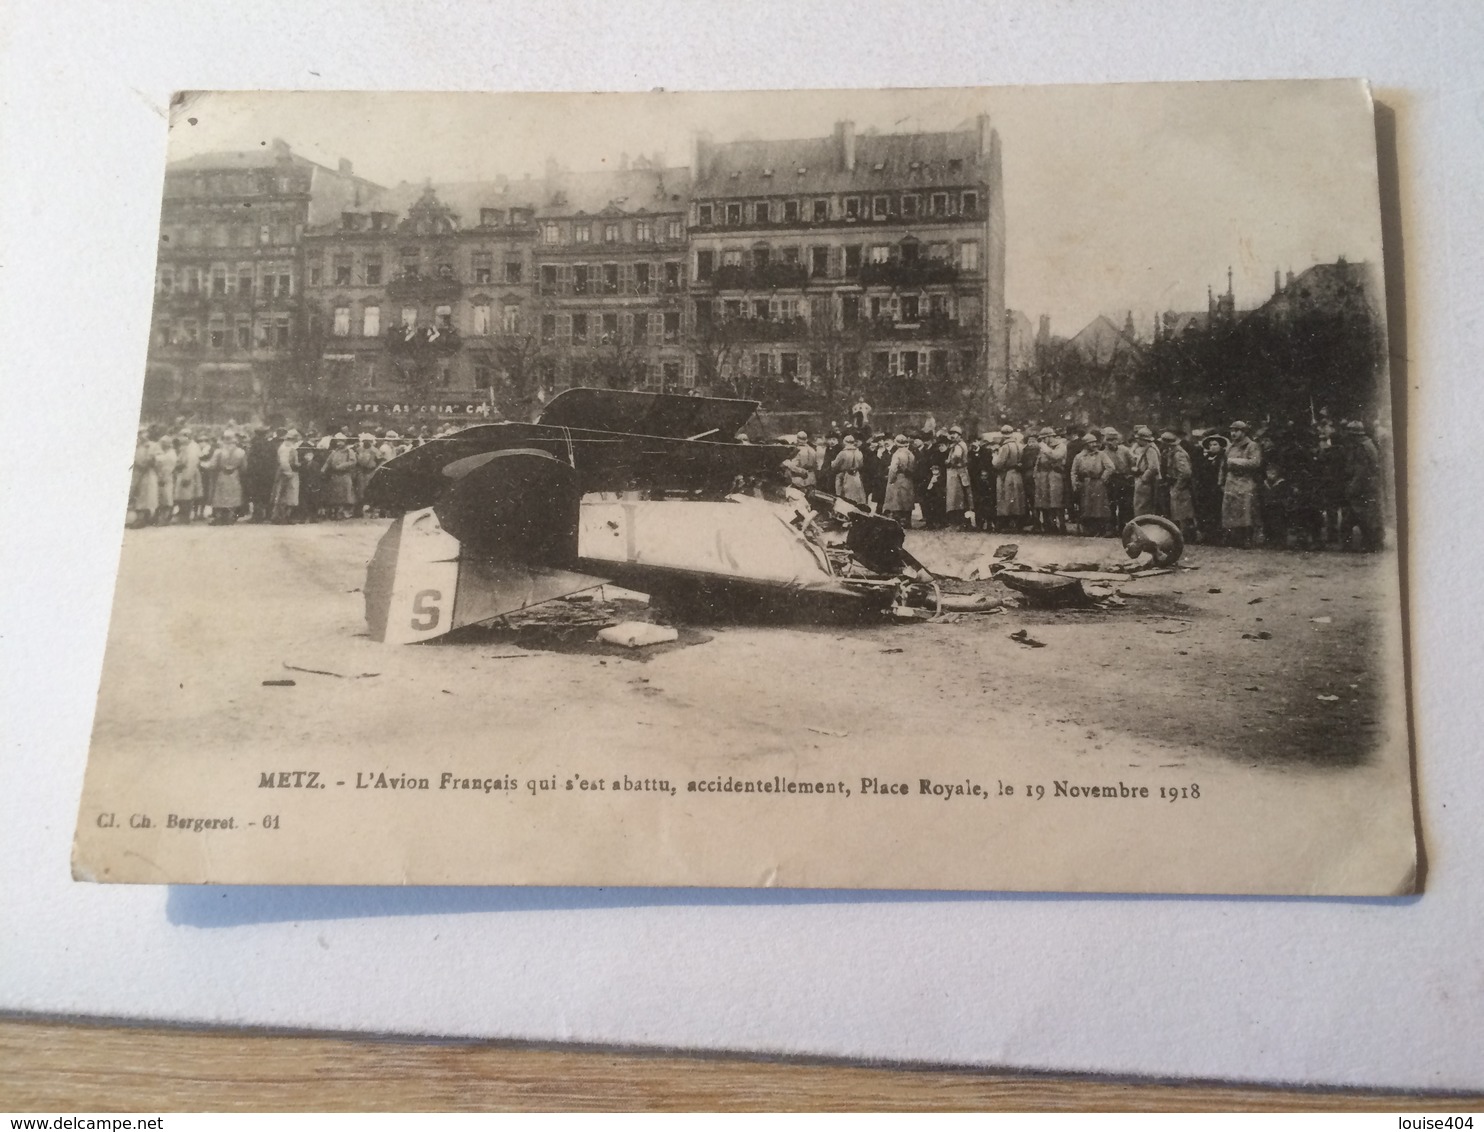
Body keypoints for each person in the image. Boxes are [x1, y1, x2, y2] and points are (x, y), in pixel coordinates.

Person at [1220, 420, 1263, 548]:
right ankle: (1234, 539)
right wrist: (1221, 481)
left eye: (1236, 431)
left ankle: (1247, 539)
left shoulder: (1251, 445)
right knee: (1231, 511)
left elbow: (1255, 463)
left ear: (1244, 432)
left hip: (1245, 480)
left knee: (1246, 510)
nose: (1233, 433)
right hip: (1231, 481)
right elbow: (1223, 465)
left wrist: (1236, 461)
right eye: (1232, 431)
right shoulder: (1230, 447)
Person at [1342, 419, 1382, 552]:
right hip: (1369, 485)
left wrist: (1352, 488)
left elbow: (1361, 471)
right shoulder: (1368, 444)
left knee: (1361, 517)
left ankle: (1367, 545)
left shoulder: (1361, 448)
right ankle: (1368, 544)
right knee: (1365, 516)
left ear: (1354, 435)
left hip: (1363, 486)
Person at [1070, 433, 1115, 536]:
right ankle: (1089, 530)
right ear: (1085, 444)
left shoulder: (1101, 455)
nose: (1094, 445)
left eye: (1095, 442)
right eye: (1091, 443)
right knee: (1086, 507)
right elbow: (1073, 471)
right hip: (1085, 483)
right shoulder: (1079, 457)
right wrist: (1075, 483)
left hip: (1098, 482)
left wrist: (1103, 478)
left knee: (1099, 507)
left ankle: (1101, 529)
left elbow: (1111, 467)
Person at [1158, 431, 1196, 541]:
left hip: (1181, 486)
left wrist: (1178, 487)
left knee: (1183, 512)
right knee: (1178, 512)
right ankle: (1183, 535)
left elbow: (1185, 473)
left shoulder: (1178, 454)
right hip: (1175, 484)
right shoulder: (1171, 452)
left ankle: (1187, 536)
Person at [203, 429, 246, 524]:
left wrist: (203, 464)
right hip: (234, 475)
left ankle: (219, 517)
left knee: (220, 495)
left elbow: (212, 465)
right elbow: (244, 467)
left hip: (222, 474)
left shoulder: (219, 451)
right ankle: (230, 517)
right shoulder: (241, 452)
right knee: (233, 495)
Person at [992, 424, 1027, 531]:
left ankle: (1007, 524)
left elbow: (998, 463)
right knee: (1017, 499)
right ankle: (1018, 523)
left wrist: (994, 456)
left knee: (1006, 498)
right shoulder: (1019, 445)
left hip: (1007, 474)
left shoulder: (1005, 447)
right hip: (1018, 473)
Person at [1033, 427, 1067, 533]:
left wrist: (1044, 446)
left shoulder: (1060, 446)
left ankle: (1061, 525)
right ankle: (1050, 525)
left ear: (1050, 437)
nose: (1043, 441)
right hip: (1043, 475)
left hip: (1055, 474)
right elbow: (1038, 461)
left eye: (1045, 438)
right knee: (1045, 502)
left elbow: (1055, 456)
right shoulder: (1044, 447)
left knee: (1057, 501)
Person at [1193, 434, 1226, 543]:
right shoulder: (1205, 458)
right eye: (1211, 445)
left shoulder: (1222, 459)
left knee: (1216, 512)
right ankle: (1206, 536)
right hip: (1205, 489)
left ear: (1220, 446)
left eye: (1215, 444)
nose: (1212, 447)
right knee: (1205, 512)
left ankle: (1217, 536)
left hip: (1216, 489)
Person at [129, 428, 162, 528]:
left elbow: (160, 458)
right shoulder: (136, 446)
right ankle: (141, 517)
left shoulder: (154, 445)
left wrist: (153, 460)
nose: (141, 436)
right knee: (137, 494)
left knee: (147, 495)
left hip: (148, 473)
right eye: (139, 434)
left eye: (143, 433)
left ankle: (144, 518)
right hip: (137, 472)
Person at [1102, 428, 1133, 533]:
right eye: (1109, 440)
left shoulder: (1124, 450)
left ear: (1117, 440)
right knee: (1111, 504)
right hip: (1111, 479)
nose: (1111, 442)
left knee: (1124, 504)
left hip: (1124, 479)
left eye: (1113, 440)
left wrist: (1129, 474)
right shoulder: (1104, 452)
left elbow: (1133, 462)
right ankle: (1111, 527)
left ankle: (1122, 528)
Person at [882, 434, 916, 526]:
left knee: (897, 501)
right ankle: (908, 522)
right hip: (908, 479)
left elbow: (893, 468)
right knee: (907, 501)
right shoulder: (910, 453)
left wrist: (891, 479)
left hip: (899, 478)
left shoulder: (897, 454)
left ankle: (899, 522)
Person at [943, 425, 973, 529]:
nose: (952, 436)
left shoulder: (958, 445)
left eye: (954, 434)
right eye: (951, 434)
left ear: (959, 435)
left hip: (956, 473)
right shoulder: (959, 444)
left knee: (955, 499)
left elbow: (957, 455)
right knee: (961, 499)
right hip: (961, 473)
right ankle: (963, 522)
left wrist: (949, 461)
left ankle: (957, 523)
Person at [1129, 426, 1163, 516]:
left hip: (1147, 482)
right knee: (1140, 505)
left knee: (1142, 505)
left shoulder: (1150, 450)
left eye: (1139, 439)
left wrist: (1143, 478)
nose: (1137, 441)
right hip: (1143, 479)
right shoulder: (1145, 448)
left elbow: (1153, 467)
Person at [272, 429, 302, 523]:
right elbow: (284, 462)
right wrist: (288, 472)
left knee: (286, 495)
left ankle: (282, 516)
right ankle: (283, 517)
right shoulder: (286, 447)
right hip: (288, 473)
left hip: (288, 472)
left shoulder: (287, 446)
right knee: (286, 495)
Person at [325, 434, 358, 519]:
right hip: (335, 476)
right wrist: (323, 469)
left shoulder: (349, 451)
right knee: (336, 495)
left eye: (341, 441)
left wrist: (341, 466)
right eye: (338, 441)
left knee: (346, 494)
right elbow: (328, 462)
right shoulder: (334, 452)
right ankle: (336, 512)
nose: (339, 443)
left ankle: (345, 512)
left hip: (345, 475)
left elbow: (352, 462)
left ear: (345, 442)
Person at [831, 433, 868, 505]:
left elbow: (834, 466)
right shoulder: (859, 452)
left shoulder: (843, 453)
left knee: (842, 496)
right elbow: (861, 465)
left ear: (845, 442)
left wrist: (832, 463)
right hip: (856, 475)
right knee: (856, 496)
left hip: (843, 475)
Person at [173, 432, 201, 523]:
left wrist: (188, 477)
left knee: (187, 495)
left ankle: (185, 516)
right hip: (182, 471)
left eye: (183, 436)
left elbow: (192, 463)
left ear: (188, 437)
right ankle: (182, 514)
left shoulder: (193, 447)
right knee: (181, 495)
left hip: (188, 472)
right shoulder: (185, 447)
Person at [153, 432, 177, 526]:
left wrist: (163, 477)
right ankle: (158, 517)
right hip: (159, 476)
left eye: (164, 443)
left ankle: (165, 518)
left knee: (167, 497)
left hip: (166, 477)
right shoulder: (162, 452)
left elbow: (168, 466)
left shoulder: (171, 453)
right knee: (160, 497)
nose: (163, 444)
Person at [354, 433, 380, 517]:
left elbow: (380, 460)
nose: (366, 443)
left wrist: (376, 469)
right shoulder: (359, 450)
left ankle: (373, 511)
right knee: (360, 492)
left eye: (368, 441)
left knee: (371, 491)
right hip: (361, 472)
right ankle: (358, 511)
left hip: (371, 472)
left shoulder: (375, 450)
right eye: (365, 441)